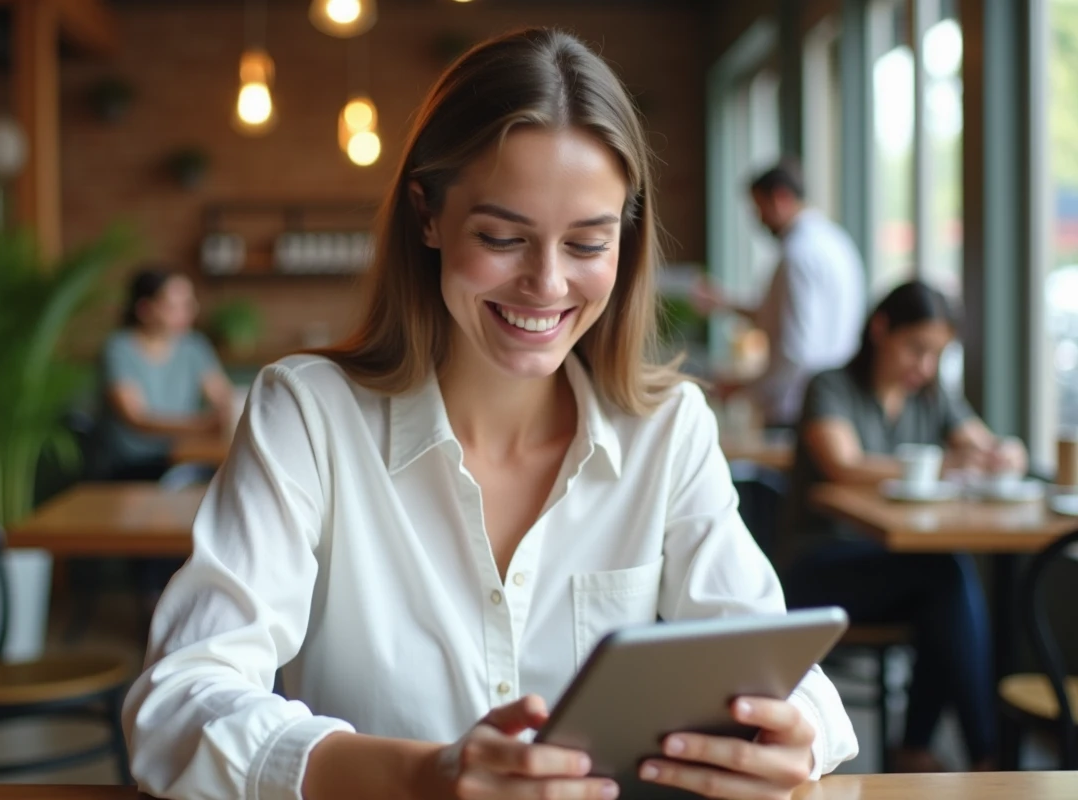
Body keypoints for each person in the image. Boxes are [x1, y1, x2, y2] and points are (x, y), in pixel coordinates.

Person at [122, 28, 857, 800]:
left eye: (587, 244)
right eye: (503, 237)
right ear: (428, 215)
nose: (547, 283)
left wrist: (796, 734)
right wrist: (423, 775)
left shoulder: (668, 430)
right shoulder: (309, 416)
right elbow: (178, 705)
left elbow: (786, 674)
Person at [781, 280, 1026, 772]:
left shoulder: (933, 396)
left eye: (936, 354)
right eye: (916, 348)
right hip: (817, 566)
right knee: (943, 576)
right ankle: (984, 755)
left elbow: (984, 444)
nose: (925, 366)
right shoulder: (830, 386)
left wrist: (1006, 453)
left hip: (895, 567)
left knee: (942, 586)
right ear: (880, 329)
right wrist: (945, 465)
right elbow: (843, 464)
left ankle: (924, 748)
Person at [694, 159, 866, 428]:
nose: (758, 219)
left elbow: (795, 351)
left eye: (759, 208)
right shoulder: (837, 242)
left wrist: (744, 388)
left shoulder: (797, 256)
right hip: (834, 402)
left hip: (797, 409)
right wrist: (725, 304)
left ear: (780, 198)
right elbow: (782, 315)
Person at [89, 266, 235, 481]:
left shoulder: (194, 346)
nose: (187, 313)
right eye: (175, 306)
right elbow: (136, 418)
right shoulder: (118, 349)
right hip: (129, 466)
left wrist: (227, 411)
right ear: (145, 309)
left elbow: (223, 396)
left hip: (180, 456)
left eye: (189, 304)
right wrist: (202, 426)